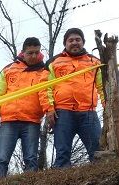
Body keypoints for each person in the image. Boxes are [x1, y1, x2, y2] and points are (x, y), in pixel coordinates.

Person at [0, 37, 50, 177]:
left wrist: (49, 112)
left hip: (32, 121)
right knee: (2, 159)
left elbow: (46, 94)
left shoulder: (44, 71)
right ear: (23, 53)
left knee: (31, 160)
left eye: (36, 52)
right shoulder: (8, 70)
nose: (34, 56)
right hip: (9, 120)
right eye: (30, 53)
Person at [46, 28, 104, 168]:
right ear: (65, 43)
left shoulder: (94, 62)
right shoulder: (54, 62)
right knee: (62, 153)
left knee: (97, 152)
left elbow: (102, 87)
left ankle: (102, 183)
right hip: (63, 112)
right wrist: (49, 109)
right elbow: (46, 87)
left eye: (78, 40)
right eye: (70, 40)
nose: (74, 43)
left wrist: (108, 107)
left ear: (83, 42)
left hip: (88, 112)